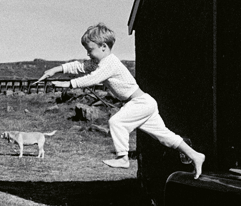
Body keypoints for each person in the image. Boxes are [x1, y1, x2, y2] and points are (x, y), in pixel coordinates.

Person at [37, 23, 205, 179]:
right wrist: (55, 70)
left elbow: (93, 78)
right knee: (165, 137)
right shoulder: (98, 62)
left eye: (90, 50)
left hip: (140, 103)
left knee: (116, 122)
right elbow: (79, 66)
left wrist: (69, 83)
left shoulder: (110, 63)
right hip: (144, 103)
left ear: (104, 47)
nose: (88, 54)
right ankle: (195, 155)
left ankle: (123, 158)